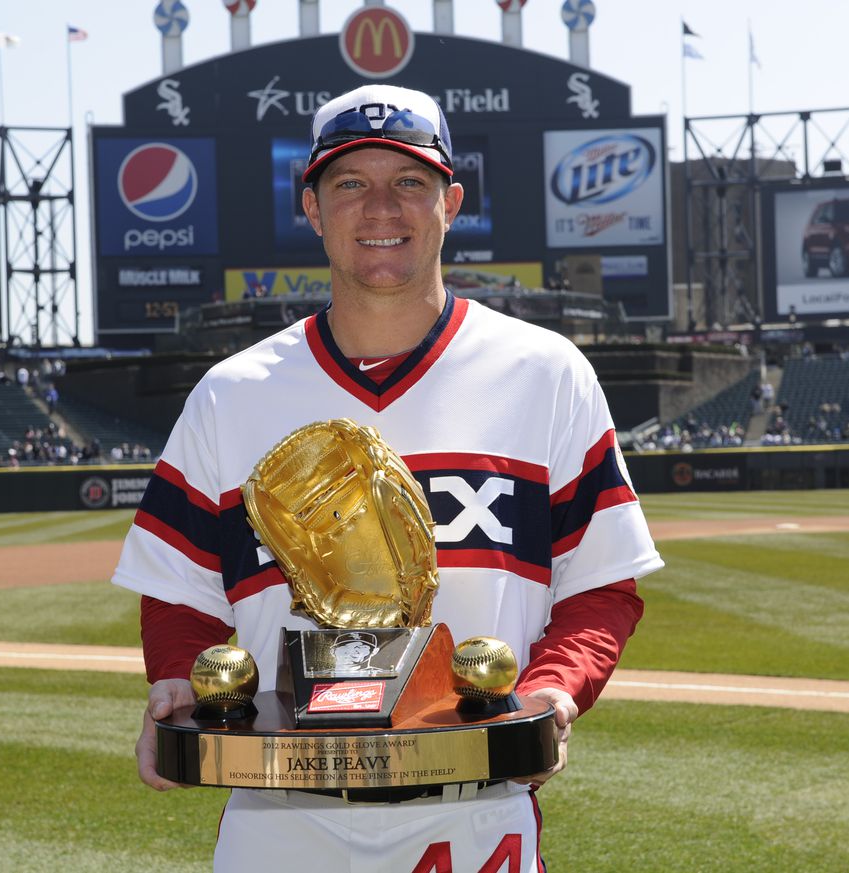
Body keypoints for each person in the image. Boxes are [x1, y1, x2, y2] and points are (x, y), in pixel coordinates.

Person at [111, 84, 663, 873]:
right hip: (281, 815)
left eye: (409, 182)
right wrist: (175, 680)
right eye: (349, 184)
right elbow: (176, 592)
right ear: (311, 205)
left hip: (476, 810)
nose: (381, 209)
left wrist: (553, 688)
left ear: (452, 201)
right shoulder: (231, 395)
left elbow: (604, 583)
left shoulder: (545, 375)